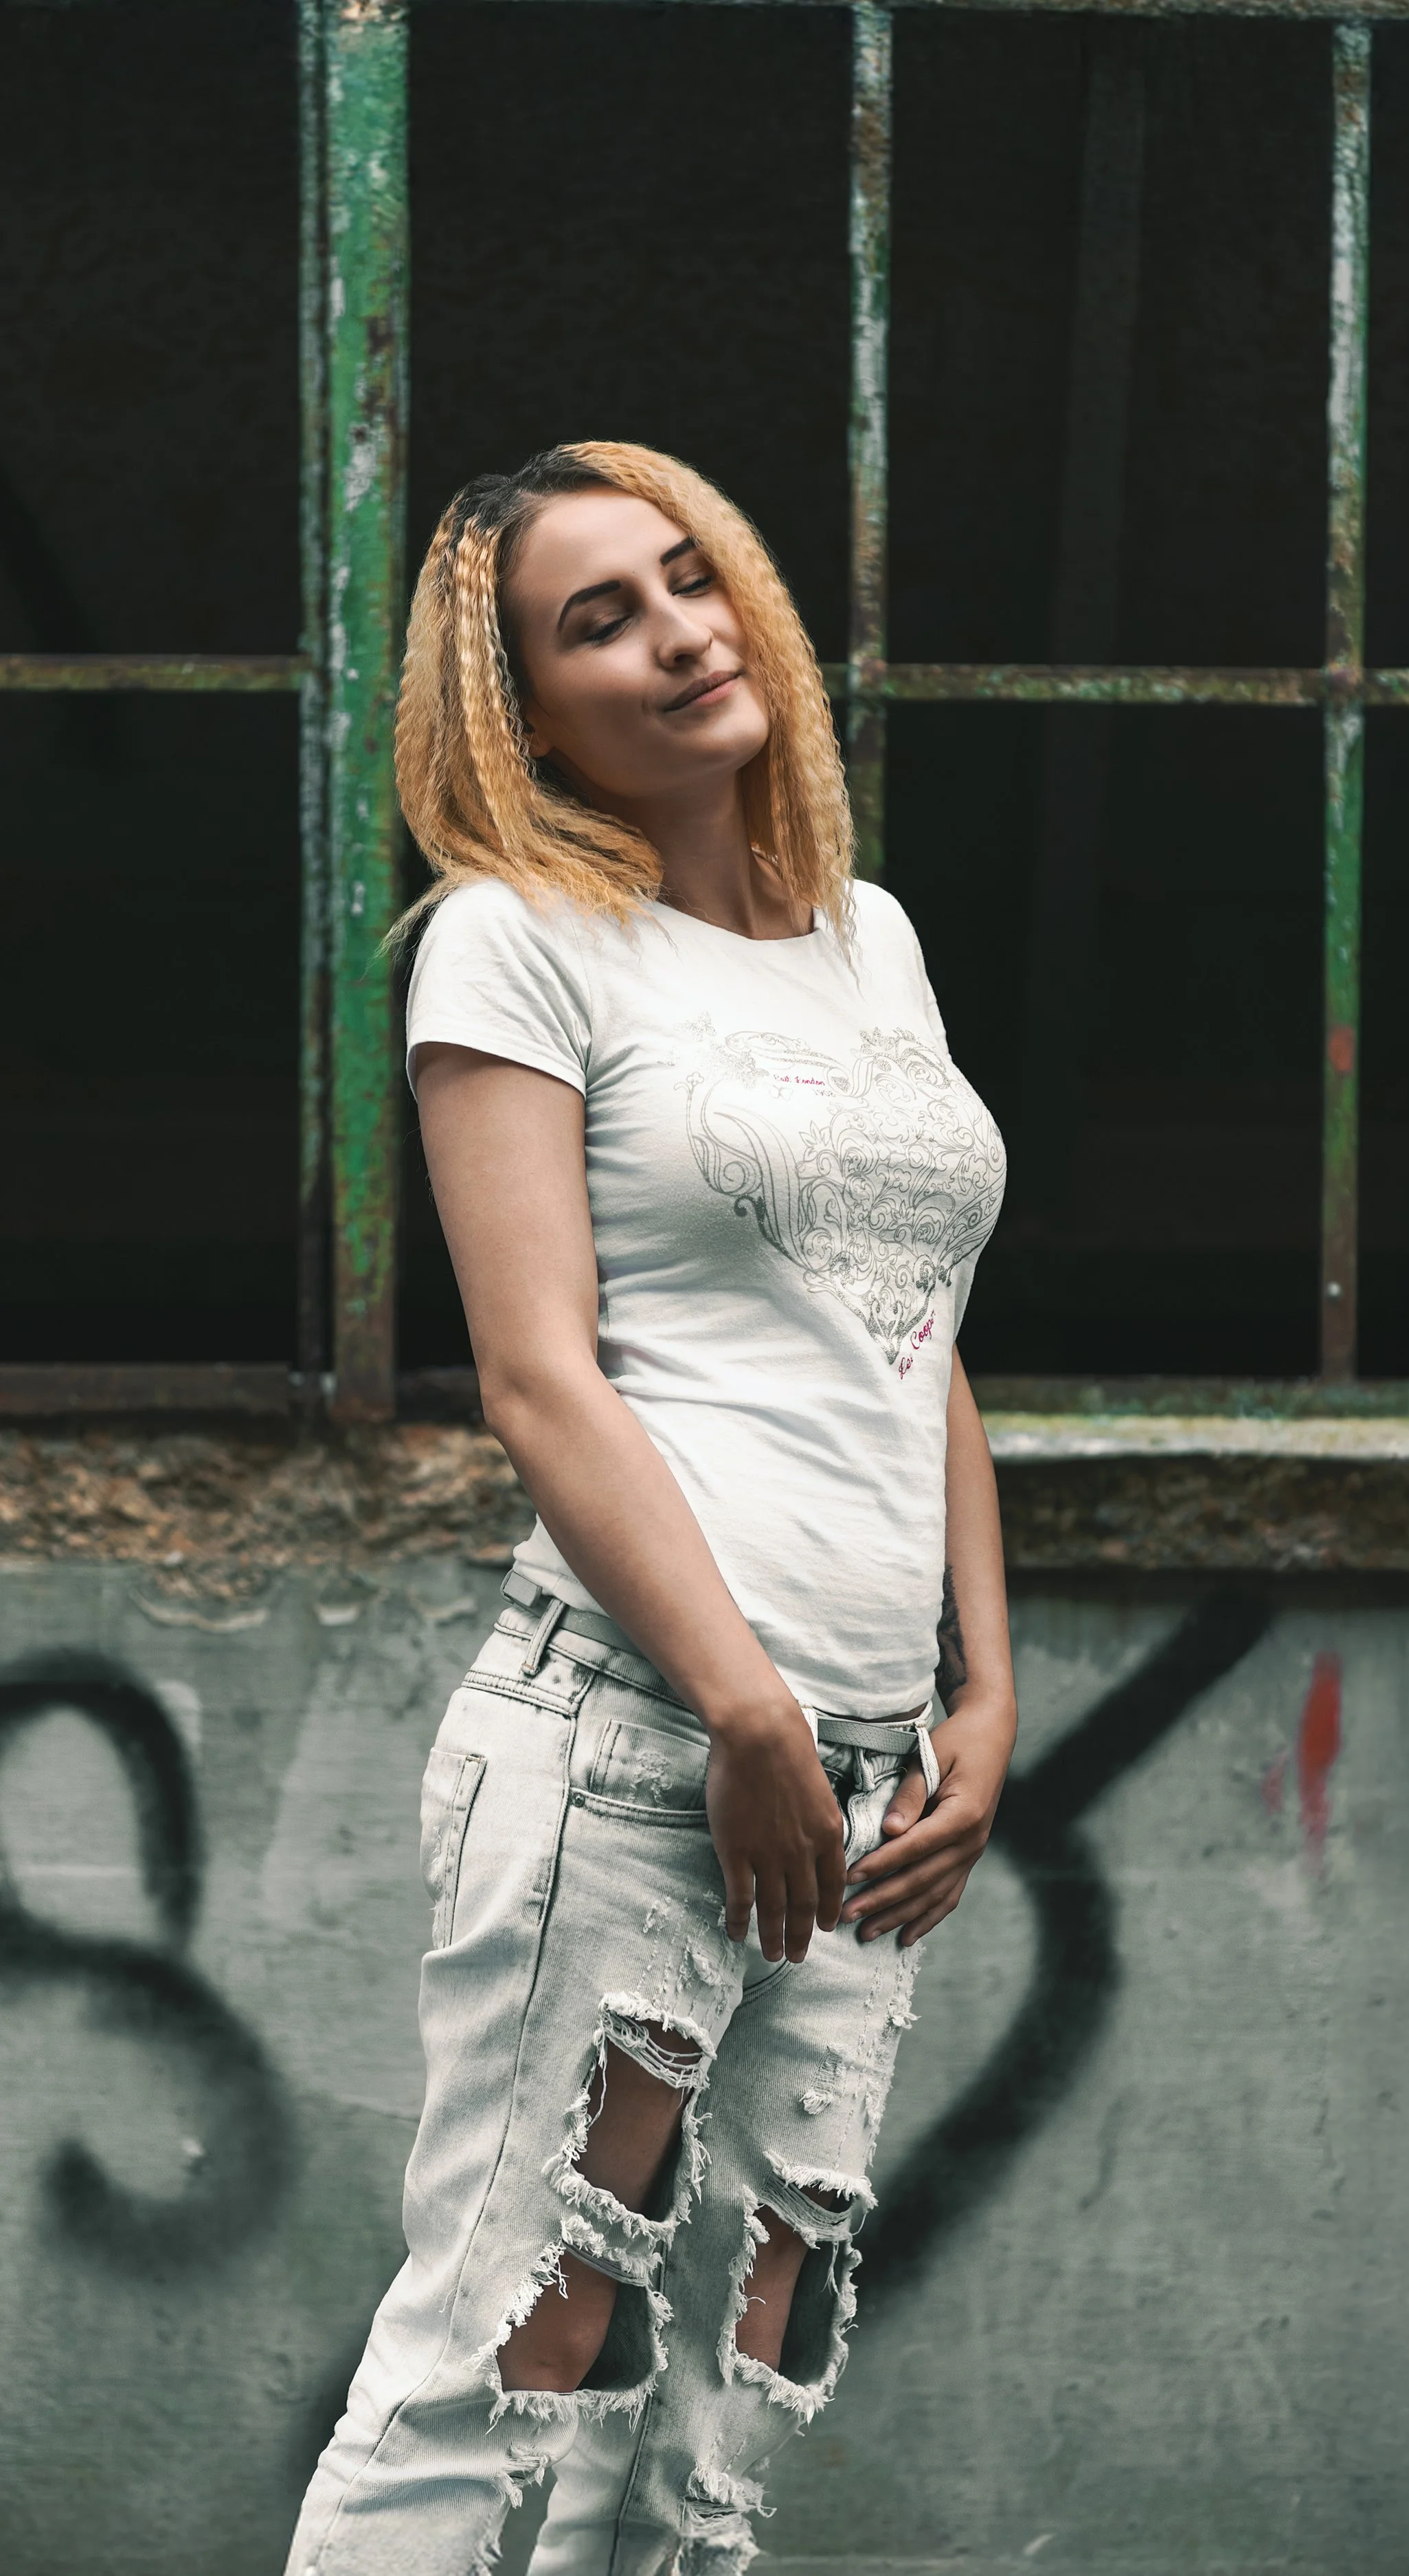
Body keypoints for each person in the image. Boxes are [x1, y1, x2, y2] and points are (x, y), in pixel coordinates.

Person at [286, 441, 1015, 2576]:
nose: (679, 631)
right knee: (518, 2342)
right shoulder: (513, 944)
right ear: (517, 711)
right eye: (599, 615)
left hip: (869, 1773)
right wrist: (745, 1706)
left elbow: (919, 1337)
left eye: (691, 579)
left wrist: (987, 1683)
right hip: (644, 1739)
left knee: (743, 2367)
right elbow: (539, 1375)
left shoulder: (866, 942)